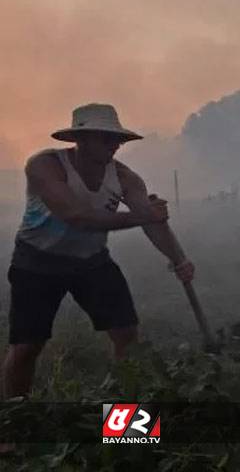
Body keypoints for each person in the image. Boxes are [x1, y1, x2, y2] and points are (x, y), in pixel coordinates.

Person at [2, 103, 195, 400]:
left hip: (92, 262)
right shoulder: (45, 166)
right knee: (27, 347)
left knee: (127, 337)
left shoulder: (125, 178)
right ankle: (14, 428)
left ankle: (126, 428)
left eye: (116, 139)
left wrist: (179, 259)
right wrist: (144, 215)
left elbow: (153, 223)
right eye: (105, 138)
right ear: (81, 139)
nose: (114, 145)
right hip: (36, 263)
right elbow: (76, 217)